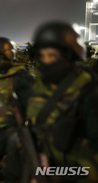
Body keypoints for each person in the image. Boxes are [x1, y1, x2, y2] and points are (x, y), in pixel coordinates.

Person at [21, 21, 98, 183]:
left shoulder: (88, 92)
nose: (47, 61)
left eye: (53, 55)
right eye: (42, 56)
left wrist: (60, 176)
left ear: (69, 56)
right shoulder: (38, 89)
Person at [0, 37, 34, 182]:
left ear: (6, 56)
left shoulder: (20, 76)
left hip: (12, 130)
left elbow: (34, 104)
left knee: (14, 171)